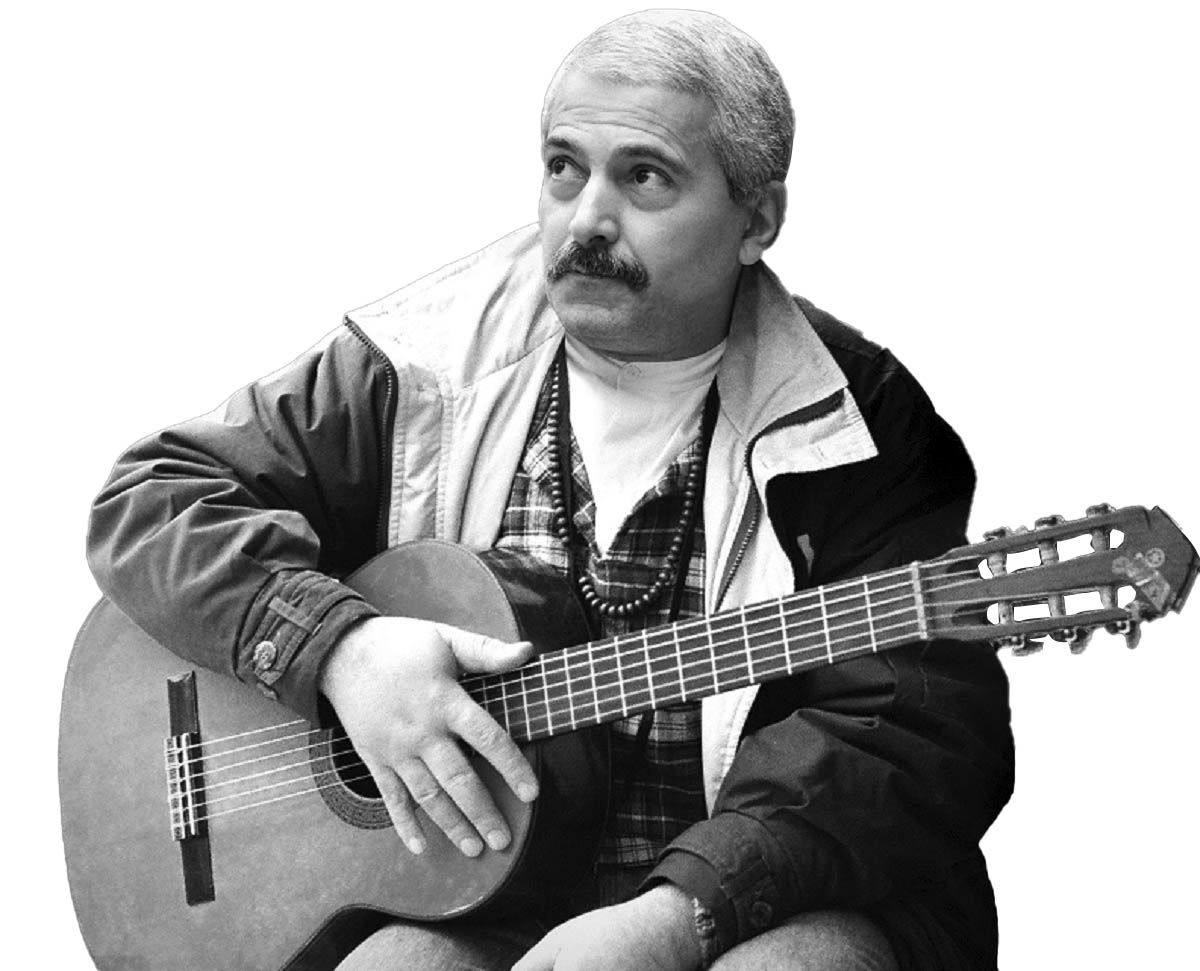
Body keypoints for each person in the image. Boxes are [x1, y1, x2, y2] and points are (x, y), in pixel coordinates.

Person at [87, 10, 1014, 970]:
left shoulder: (862, 421)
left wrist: (686, 911)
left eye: (644, 177)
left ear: (758, 221)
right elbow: (152, 499)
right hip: (480, 898)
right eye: (564, 168)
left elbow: (912, 723)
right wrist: (337, 649)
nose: (586, 220)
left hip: (761, 899)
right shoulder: (421, 366)